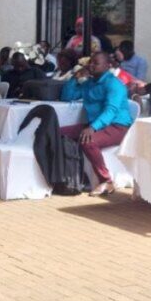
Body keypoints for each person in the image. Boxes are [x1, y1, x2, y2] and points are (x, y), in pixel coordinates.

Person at [59, 52, 134, 196]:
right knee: (60, 133)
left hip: (118, 126)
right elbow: (67, 96)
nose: (91, 65)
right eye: (90, 62)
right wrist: (75, 78)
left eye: (96, 63)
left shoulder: (114, 84)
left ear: (108, 66)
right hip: (96, 124)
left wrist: (92, 128)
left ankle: (106, 181)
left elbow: (111, 110)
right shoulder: (89, 83)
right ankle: (69, 176)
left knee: (88, 141)